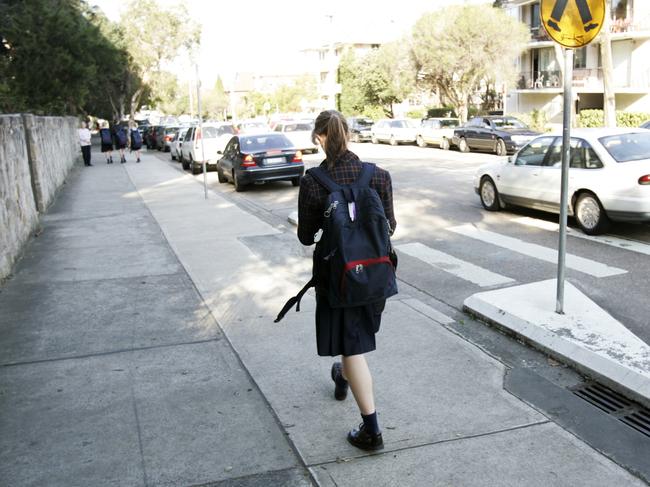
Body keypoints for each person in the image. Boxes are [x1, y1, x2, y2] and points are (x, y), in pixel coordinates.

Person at [297, 109, 396, 451]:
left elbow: (306, 237)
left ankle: (372, 432)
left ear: (319, 138)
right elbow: (390, 227)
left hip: (337, 278)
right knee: (352, 340)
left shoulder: (313, 181)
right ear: (349, 135)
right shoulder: (378, 176)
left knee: (352, 347)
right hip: (375, 276)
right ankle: (342, 374)